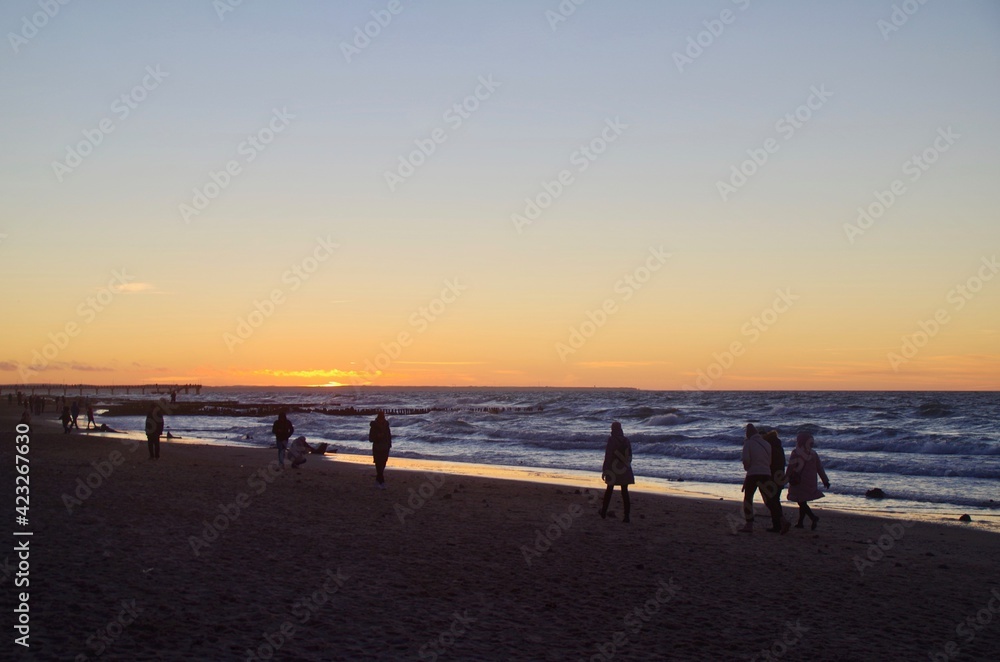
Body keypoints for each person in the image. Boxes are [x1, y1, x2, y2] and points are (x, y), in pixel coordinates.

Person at [740, 424, 789, 534]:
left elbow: (746, 459)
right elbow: (770, 461)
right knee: (769, 499)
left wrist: (748, 468)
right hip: (765, 473)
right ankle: (783, 520)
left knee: (748, 499)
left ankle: (749, 524)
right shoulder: (766, 444)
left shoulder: (748, 443)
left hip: (753, 473)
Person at [786, 431, 830, 530]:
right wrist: (825, 481)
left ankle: (813, 517)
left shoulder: (796, 452)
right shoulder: (814, 453)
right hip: (811, 481)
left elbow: (790, 467)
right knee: (803, 500)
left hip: (799, 481)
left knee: (801, 501)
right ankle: (800, 522)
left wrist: (785, 477)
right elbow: (820, 468)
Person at [600, 421, 635, 523]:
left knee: (609, 490)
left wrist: (605, 470)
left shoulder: (611, 440)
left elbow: (608, 456)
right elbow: (630, 456)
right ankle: (627, 516)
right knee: (625, 492)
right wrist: (626, 465)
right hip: (625, 469)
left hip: (613, 469)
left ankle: (603, 512)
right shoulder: (626, 440)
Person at [369, 412, 392, 489]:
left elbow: (389, 436)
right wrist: (378, 437)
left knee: (383, 463)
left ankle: (378, 481)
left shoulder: (386, 425)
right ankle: (381, 481)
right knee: (378, 464)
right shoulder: (374, 426)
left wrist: (389, 445)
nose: (382, 420)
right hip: (377, 447)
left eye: (383, 418)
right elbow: (371, 438)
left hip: (385, 447)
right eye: (381, 418)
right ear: (378, 418)